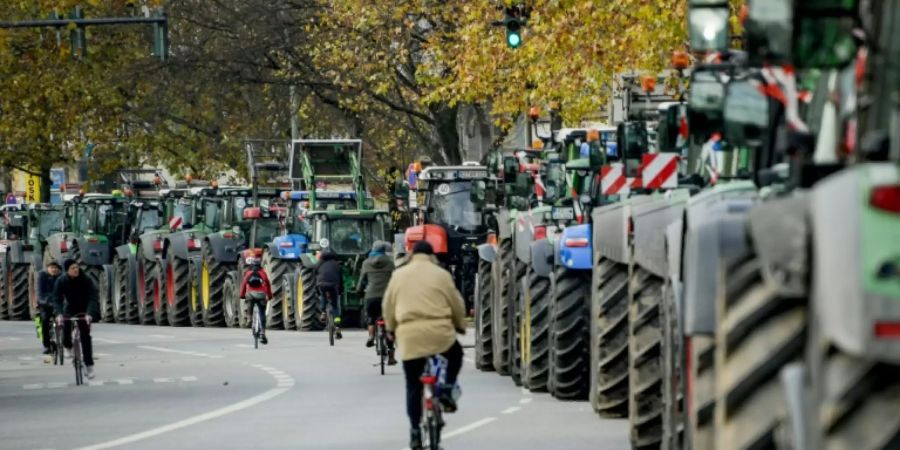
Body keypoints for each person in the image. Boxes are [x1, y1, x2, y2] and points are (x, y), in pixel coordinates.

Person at [383, 241, 466, 449]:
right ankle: (447, 388)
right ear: (432, 256)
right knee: (456, 354)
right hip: (440, 333)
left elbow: (388, 305)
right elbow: (456, 303)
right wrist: (460, 326)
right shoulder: (441, 275)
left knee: (413, 385)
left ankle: (414, 432)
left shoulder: (398, 275)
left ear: (411, 254)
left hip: (409, 335)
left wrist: (391, 330)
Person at [52, 260, 99, 379]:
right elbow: (57, 299)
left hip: (84, 309)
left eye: (77, 267)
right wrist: (58, 314)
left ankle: (89, 365)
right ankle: (68, 346)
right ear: (67, 270)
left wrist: (89, 313)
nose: (76, 270)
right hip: (70, 308)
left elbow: (93, 297)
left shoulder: (86, 280)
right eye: (72, 268)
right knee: (66, 327)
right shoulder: (61, 281)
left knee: (85, 336)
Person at [355, 240, 396, 363]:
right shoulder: (390, 262)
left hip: (371, 296)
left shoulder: (366, 263)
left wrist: (359, 292)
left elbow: (362, 280)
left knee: (371, 318)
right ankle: (391, 355)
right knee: (389, 324)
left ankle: (371, 336)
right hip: (387, 297)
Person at [239, 256, 273, 345]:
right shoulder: (263, 273)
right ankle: (262, 332)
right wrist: (269, 296)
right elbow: (268, 285)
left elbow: (243, 284)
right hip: (261, 295)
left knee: (250, 302)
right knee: (262, 313)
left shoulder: (248, 273)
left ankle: (249, 318)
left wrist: (242, 295)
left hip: (250, 294)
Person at [315, 249, 343, 339]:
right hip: (334, 286)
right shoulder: (337, 264)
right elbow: (340, 279)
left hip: (322, 284)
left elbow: (314, 273)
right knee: (335, 306)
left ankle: (323, 312)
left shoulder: (320, 263)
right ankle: (337, 326)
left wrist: (317, 286)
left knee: (323, 295)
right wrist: (341, 290)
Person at [36, 260, 62, 355]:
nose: (54, 270)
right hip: (46, 304)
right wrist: (46, 302)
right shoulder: (42, 276)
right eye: (52, 268)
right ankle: (47, 345)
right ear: (48, 268)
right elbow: (39, 293)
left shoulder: (61, 277)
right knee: (45, 321)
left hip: (58, 304)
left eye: (55, 268)